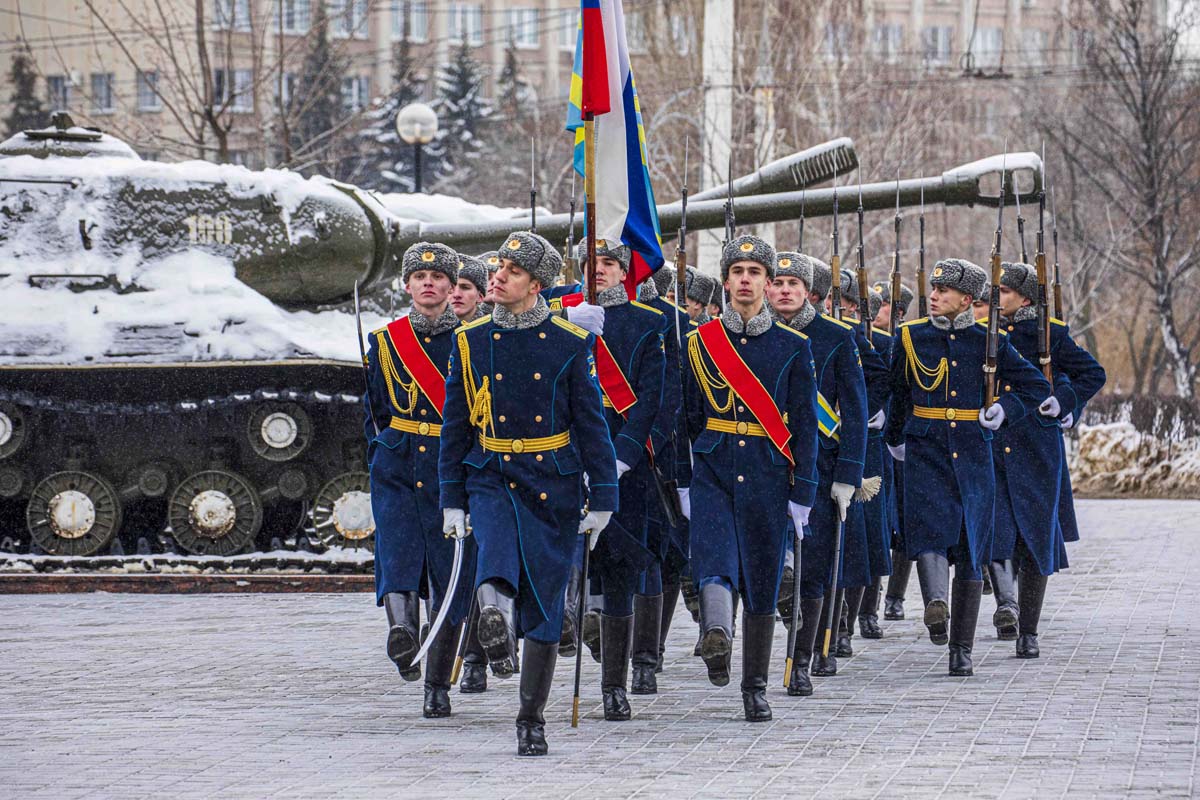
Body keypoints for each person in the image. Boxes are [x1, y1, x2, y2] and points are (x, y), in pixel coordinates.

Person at [438, 230, 619, 756]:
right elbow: (455, 426)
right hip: (491, 469)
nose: (497, 277)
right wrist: (453, 496)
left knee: (544, 600)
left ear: (536, 285)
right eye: (498, 267)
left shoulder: (570, 344)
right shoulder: (469, 340)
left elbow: (592, 426)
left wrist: (603, 496)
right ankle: (492, 615)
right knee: (493, 552)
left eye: (512, 272)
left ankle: (530, 717)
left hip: (552, 479)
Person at [884, 258, 1051, 676]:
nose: (935, 297)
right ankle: (935, 605)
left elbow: (1036, 385)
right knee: (928, 531)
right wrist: (894, 437)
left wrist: (1004, 410)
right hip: (925, 451)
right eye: (934, 290)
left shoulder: (988, 340)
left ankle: (962, 648)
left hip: (973, 453)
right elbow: (898, 390)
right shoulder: (911, 337)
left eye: (944, 292)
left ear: (968, 300)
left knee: (972, 547)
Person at [681, 235, 819, 722]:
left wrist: (804, 491)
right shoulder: (698, 344)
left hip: (768, 470)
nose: (745, 279)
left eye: (754, 272)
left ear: (764, 281)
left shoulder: (792, 346)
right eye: (737, 271)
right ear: (725, 281)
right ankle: (716, 635)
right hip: (715, 467)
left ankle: (754, 686)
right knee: (715, 558)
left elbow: (804, 426)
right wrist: (684, 480)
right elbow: (687, 417)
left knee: (762, 581)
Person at [362, 242, 477, 718]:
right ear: (406, 285)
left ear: (452, 287)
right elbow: (372, 410)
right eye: (419, 276)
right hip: (398, 465)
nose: (428, 283)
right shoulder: (385, 342)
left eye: (437, 276)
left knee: (451, 574)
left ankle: (437, 684)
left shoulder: (473, 340)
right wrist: (382, 450)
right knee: (397, 549)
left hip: (451, 467)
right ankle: (403, 632)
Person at [568, 240, 666, 720]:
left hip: (627, 462)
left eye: (609, 263)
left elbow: (650, 400)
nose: (599, 270)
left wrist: (622, 457)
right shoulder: (560, 316)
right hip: (566, 459)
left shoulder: (649, 324)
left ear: (626, 272)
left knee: (622, 571)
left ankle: (615, 685)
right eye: (591, 262)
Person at [988, 262, 1105, 657]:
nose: (997, 297)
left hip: (1037, 445)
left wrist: (1064, 401)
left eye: (1004, 291)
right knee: (997, 529)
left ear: (1024, 298)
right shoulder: (987, 331)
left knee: (1034, 538)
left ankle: (1029, 630)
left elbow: (1092, 373)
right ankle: (1007, 606)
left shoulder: (1049, 333)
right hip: (996, 441)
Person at [766, 253, 868, 694]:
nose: (785, 290)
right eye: (779, 282)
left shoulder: (836, 337)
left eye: (794, 282)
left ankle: (801, 661)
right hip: (764, 462)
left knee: (814, 569)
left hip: (821, 468)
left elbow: (856, 410)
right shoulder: (746, 335)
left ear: (809, 291)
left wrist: (849, 474)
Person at [635, 265, 696, 691]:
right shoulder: (579, 312)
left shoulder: (673, 321)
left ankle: (647, 653)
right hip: (599, 450)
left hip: (661, 454)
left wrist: (652, 438)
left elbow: (678, 389)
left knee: (661, 554)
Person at [874, 283, 916, 622]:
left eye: (885, 305)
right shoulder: (867, 340)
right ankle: (868, 603)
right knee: (875, 525)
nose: (879, 310)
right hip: (875, 441)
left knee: (903, 523)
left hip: (900, 443)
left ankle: (895, 596)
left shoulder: (909, 341)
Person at [450, 254, 489, 323]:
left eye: (465, 287)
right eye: (450, 288)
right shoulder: (427, 332)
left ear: (480, 296)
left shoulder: (494, 331)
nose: (456, 295)